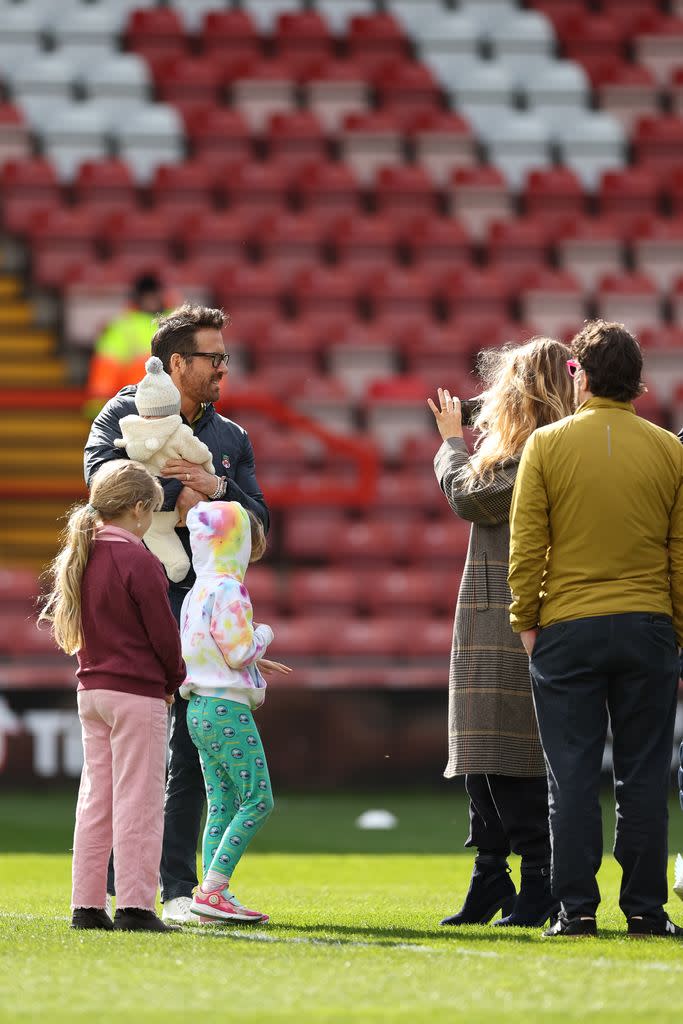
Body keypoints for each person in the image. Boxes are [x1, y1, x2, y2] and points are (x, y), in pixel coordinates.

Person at [84, 303, 270, 925]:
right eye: (212, 357)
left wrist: (218, 492)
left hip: (199, 611)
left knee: (191, 754)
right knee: (128, 753)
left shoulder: (232, 439)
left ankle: (178, 888)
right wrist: (171, 492)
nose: (224, 367)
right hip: (133, 600)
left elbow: (262, 527)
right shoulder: (121, 413)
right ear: (176, 364)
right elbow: (101, 487)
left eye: (223, 355)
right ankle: (112, 884)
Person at [509, 320, 683, 939]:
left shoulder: (548, 445)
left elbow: (527, 545)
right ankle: (646, 909)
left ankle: (576, 908)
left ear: (579, 374)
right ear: (637, 379)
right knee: (643, 776)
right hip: (648, 626)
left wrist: (526, 619)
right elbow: (679, 552)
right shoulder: (669, 449)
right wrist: (676, 629)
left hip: (568, 628)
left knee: (573, 774)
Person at [428, 337, 574, 929]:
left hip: (517, 615)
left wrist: (449, 442)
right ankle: (492, 874)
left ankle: (536, 877)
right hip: (490, 613)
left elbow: (471, 498)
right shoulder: (517, 448)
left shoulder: (541, 451)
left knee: (511, 750)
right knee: (481, 750)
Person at [38, 460, 186, 933]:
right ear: (140, 508)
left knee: (95, 800)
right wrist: (173, 679)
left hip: (92, 691)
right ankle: (137, 906)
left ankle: (86, 904)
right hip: (135, 693)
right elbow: (163, 636)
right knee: (139, 801)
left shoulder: (83, 554)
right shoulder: (139, 559)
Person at [181, 500, 288, 923]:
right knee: (258, 800)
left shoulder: (196, 591)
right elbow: (240, 649)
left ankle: (211, 896)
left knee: (221, 803)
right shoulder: (228, 589)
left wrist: (252, 658)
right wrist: (265, 633)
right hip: (226, 709)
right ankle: (212, 890)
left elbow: (207, 650)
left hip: (200, 707)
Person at [114, 355, 215, 582]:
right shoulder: (179, 432)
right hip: (178, 505)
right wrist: (208, 469)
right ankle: (184, 566)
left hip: (148, 506)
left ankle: (173, 563)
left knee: (155, 533)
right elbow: (198, 453)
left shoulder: (131, 431)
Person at [84, 273, 166, 420]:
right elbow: (106, 368)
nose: (151, 300)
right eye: (147, 295)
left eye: (154, 294)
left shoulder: (177, 322)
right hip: (135, 410)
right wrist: (100, 408)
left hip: (171, 409)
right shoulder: (122, 326)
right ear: (138, 297)